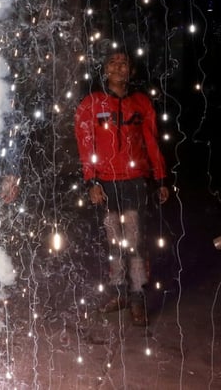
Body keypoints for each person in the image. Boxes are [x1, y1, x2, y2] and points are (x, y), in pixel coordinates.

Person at [74, 49, 169, 326]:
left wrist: (161, 179)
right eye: (112, 63)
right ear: (104, 70)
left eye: (124, 63)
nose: (118, 67)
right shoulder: (91, 103)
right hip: (105, 183)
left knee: (136, 241)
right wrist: (91, 181)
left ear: (131, 71)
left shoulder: (141, 103)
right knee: (114, 240)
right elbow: (85, 144)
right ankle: (119, 293)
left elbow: (152, 142)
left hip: (135, 181)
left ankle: (137, 297)